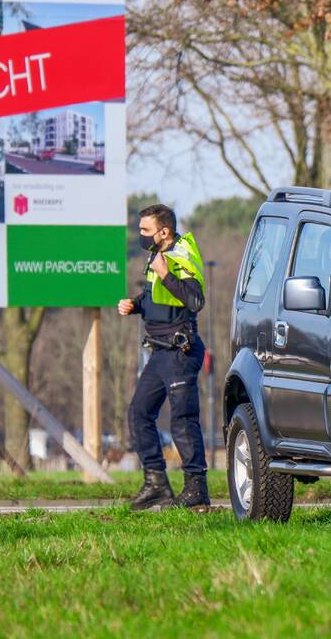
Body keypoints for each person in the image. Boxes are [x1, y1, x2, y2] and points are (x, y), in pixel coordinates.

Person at [117, 204, 210, 510]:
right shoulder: (157, 256)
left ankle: (196, 489)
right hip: (159, 351)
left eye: (145, 230)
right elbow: (156, 299)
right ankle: (156, 484)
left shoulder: (181, 256)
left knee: (182, 420)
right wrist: (135, 305)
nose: (141, 235)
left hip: (180, 350)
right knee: (139, 412)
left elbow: (195, 301)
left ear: (164, 231)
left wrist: (166, 274)